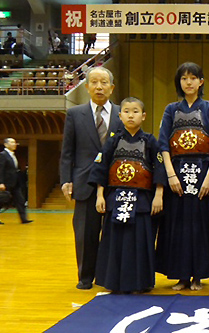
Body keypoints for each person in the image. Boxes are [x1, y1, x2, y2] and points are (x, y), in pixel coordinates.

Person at [156, 62, 209, 291]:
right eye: (184, 78)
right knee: (178, 225)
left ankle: (199, 275)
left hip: (204, 171)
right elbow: (163, 144)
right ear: (179, 82)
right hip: (176, 173)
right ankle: (181, 275)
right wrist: (170, 175)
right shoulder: (170, 110)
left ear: (201, 81)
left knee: (200, 225)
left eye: (193, 78)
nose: (188, 82)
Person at [88, 97, 165, 293]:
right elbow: (101, 167)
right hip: (115, 197)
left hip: (141, 200)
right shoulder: (113, 140)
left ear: (144, 116)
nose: (131, 115)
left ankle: (140, 282)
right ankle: (114, 282)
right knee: (115, 241)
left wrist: (159, 194)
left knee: (140, 240)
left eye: (135, 111)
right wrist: (100, 195)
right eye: (127, 111)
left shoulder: (150, 141)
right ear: (120, 115)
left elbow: (160, 168)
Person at [60, 66, 123, 290]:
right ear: (86, 87)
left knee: (114, 232)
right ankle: (85, 276)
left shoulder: (122, 113)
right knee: (85, 234)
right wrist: (66, 180)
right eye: (94, 82)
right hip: (84, 183)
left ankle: (109, 275)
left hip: (116, 183)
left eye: (104, 82)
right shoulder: (75, 114)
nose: (99, 86)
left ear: (112, 87)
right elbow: (67, 151)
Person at [0, 138, 32, 225]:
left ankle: (23, 218)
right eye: (12, 142)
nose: (15, 144)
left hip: (15, 182)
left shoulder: (13, 155)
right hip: (6, 182)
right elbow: (0, 170)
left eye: (15, 142)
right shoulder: (2, 155)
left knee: (20, 200)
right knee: (0, 201)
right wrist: (0, 182)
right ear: (6, 144)